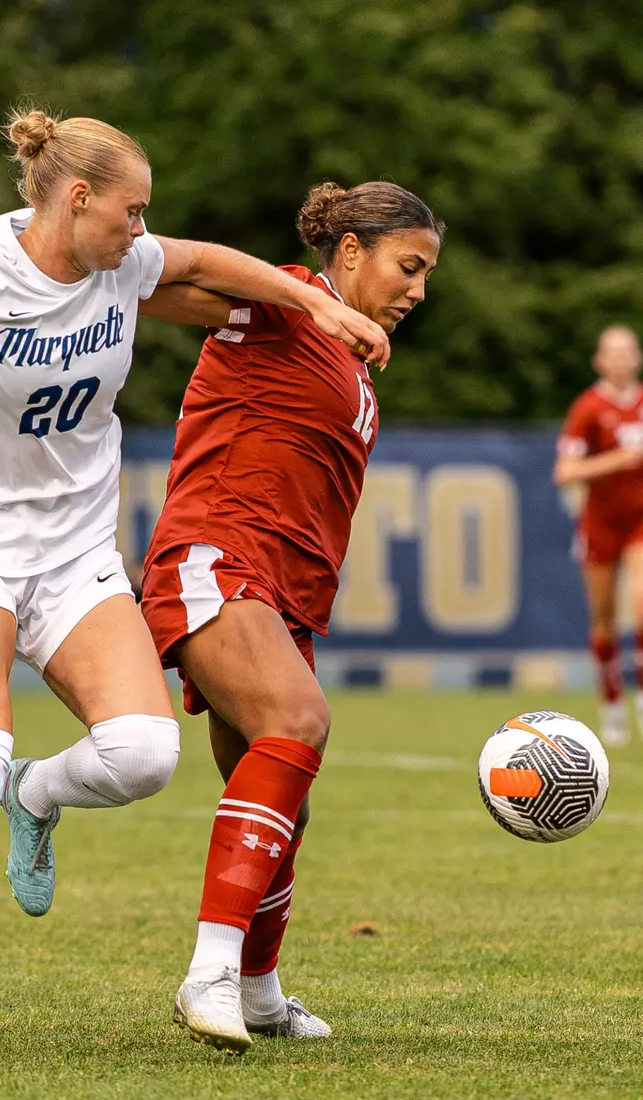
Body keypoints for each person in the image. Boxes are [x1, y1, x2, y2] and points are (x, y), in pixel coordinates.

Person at [0, 39, 391, 1069]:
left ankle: (45, 795)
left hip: (74, 554)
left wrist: (318, 304)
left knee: (146, 753)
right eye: (131, 209)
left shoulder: (122, 266)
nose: (142, 228)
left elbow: (210, 264)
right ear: (75, 198)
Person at [140, 180, 443, 1052]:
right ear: (349, 251)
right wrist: (311, 300)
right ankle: (208, 975)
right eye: (407, 265)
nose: (418, 288)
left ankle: (262, 993)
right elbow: (145, 279)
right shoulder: (277, 304)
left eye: (426, 273)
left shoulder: (355, 362)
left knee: (285, 798)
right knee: (300, 719)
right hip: (216, 560)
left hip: (284, 597)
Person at [554, 325, 643, 746]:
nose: (623, 360)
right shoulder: (588, 408)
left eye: (629, 351)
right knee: (605, 623)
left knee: (642, 608)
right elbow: (566, 472)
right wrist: (618, 460)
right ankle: (612, 704)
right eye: (615, 353)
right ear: (600, 361)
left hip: (640, 524)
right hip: (601, 525)